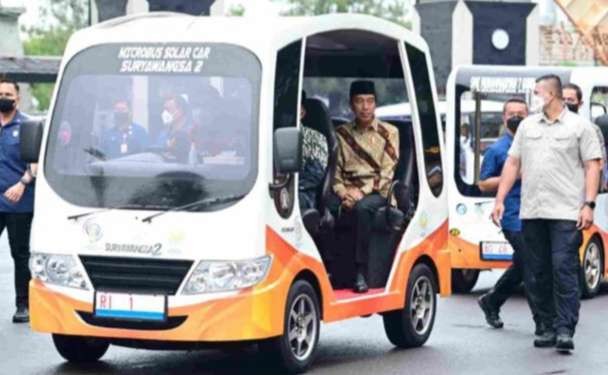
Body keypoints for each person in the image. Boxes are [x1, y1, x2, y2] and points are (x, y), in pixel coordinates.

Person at [492, 75, 602, 352]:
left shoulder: (580, 127)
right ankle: (544, 325)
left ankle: (565, 329)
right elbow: (513, 163)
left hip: (566, 212)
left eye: (536, 92)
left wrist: (589, 204)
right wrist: (500, 199)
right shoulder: (527, 127)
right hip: (533, 211)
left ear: (550, 95)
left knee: (563, 270)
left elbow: (593, 166)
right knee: (537, 272)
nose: (533, 97)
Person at [476, 98, 542, 333]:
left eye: (521, 113)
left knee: (524, 262)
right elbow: (483, 184)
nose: (516, 117)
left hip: (538, 211)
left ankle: (491, 301)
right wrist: (515, 175)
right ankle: (543, 322)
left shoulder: (537, 143)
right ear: (504, 118)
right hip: (512, 214)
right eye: (511, 113)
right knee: (532, 264)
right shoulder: (497, 149)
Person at [329, 80, 399, 293]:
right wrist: (343, 193)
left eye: (370, 101)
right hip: (349, 191)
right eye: (359, 101)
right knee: (325, 208)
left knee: (362, 209)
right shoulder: (341, 134)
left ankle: (361, 271)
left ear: (375, 104)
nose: (365, 107)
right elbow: (335, 173)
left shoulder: (389, 132)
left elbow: (387, 173)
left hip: (379, 191)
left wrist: (361, 193)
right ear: (351, 105)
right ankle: (334, 269)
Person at [0, 79, 35, 323]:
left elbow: (34, 161)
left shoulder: (27, 126)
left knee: (20, 254)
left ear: (17, 98)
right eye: (0, 93)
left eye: (8, 94)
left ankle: (23, 305)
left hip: (17, 201)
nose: (3, 97)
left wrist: (22, 183)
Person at [563, 83, 607, 189]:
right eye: (563, 99)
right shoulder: (547, 127)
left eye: (570, 100)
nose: (566, 103)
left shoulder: (590, 129)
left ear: (580, 103)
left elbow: (599, 163)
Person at [299, 91, 329, 211]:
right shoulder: (264, 136)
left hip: (301, 195)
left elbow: (315, 174)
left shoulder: (315, 138)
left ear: (302, 112)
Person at [157, 95, 192, 163]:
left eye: (168, 109)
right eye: (164, 109)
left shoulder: (192, 132)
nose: (165, 113)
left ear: (181, 110)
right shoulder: (163, 133)